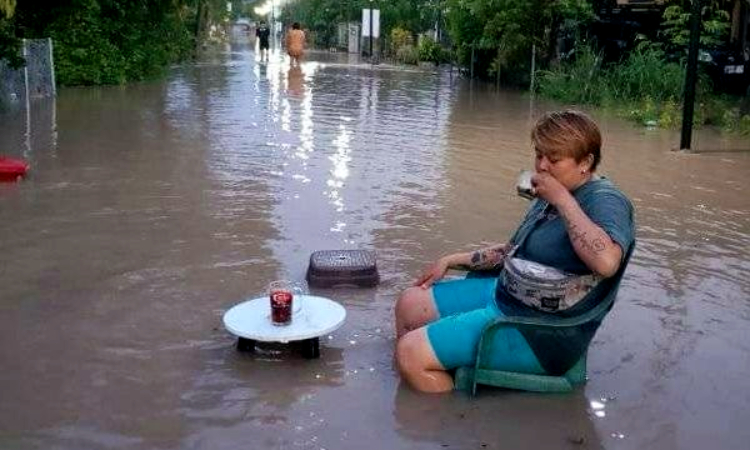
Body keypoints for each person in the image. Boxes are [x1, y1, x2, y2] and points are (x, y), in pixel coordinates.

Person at [394, 110, 635, 393]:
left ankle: (453, 420)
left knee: (410, 354)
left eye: (554, 159)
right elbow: (513, 252)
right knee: (409, 303)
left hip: (540, 330)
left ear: (586, 162)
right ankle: (415, 380)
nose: (542, 166)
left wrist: (561, 199)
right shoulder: (550, 196)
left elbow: (606, 262)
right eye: (539, 155)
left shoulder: (606, 201)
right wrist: (451, 261)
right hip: (508, 295)